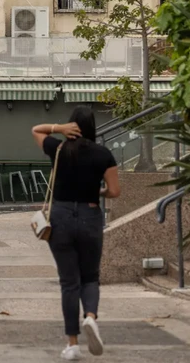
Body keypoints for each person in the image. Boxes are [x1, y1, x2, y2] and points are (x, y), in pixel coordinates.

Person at [32, 107, 120, 360]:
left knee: (69, 282)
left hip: (59, 218)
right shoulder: (103, 154)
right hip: (90, 215)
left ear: (71, 125)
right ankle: (90, 317)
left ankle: (72, 345)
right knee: (90, 277)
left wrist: (58, 129)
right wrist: (98, 192)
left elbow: (35, 129)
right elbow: (114, 191)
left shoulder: (57, 148)